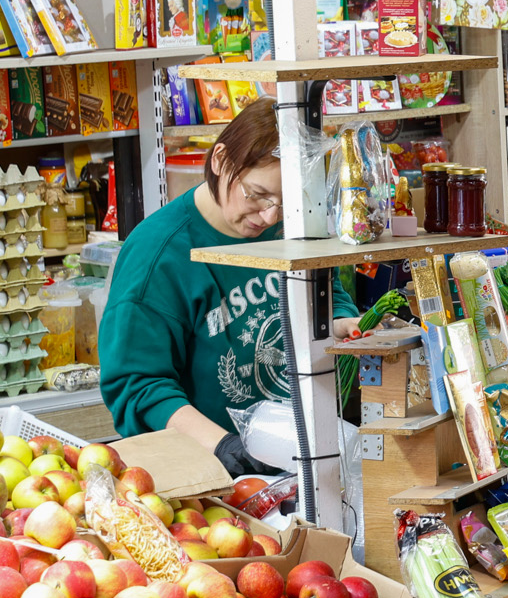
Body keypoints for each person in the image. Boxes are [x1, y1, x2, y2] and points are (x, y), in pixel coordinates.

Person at [100, 97, 359, 476]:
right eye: (257, 195)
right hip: (206, 472)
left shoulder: (291, 226)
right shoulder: (159, 254)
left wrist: (339, 324)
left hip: (299, 453)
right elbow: (136, 385)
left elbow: (327, 292)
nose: (269, 216)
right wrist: (222, 445)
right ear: (220, 160)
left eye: (285, 203)